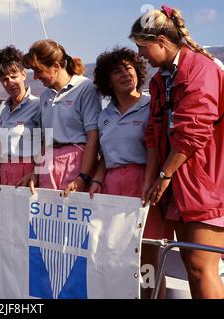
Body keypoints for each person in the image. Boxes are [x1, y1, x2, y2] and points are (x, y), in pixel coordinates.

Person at [130, 5, 224, 298]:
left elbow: (194, 130)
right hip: (179, 183)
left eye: (142, 47)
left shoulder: (202, 67)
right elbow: (154, 131)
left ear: (161, 40)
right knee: (190, 263)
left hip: (203, 181)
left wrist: (165, 174)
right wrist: (152, 178)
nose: (140, 55)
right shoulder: (160, 80)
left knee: (200, 266)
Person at [90, 47, 174, 298]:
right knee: (117, 258)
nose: (125, 73)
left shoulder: (152, 105)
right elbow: (104, 157)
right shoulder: (103, 116)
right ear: (108, 80)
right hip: (111, 189)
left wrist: (153, 182)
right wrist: (96, 181)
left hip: (144, 185)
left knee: (147, 260)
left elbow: (156, 148)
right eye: (117, 70)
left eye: (129, 67)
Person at [21, 39, 102, 194]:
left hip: (76, 164)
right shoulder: (45, 96)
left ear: (56, 67)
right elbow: (46, 139)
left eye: (38, 71)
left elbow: (93, 136)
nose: (36, 77)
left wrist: (83, 177)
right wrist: (36, 173)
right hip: (49, 166)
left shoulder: (86, 88)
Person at [0, 45, 41, 186]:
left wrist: (36, 173)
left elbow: (46, 144)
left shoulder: (38, 105)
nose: (10, 82)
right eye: (5, 79)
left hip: (29, 173)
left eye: (14, 76)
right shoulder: (4, 111)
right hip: (6, 172)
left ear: (24, 74)